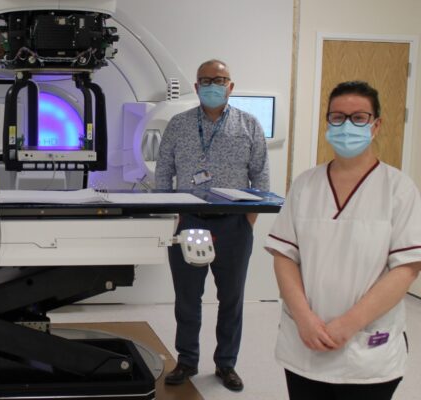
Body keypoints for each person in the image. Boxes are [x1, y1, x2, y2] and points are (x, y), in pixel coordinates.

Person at [265, 81, 421, 400]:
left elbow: (407, 267)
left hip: (367, 343)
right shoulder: (306, 184)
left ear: (376, 125)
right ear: (328, 123)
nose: (347, 125)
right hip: (305, 340)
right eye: (337, 117)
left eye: (359, 117)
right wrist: (305, 319)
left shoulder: (398, 189)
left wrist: (348, 324)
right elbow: (284, 256)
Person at [154, 59, 270, 391]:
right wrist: (170, 214)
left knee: (232, 299)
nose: (213, 86)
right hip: (190, 221)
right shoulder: (178, 124)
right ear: (196, 87)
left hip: (234, 225)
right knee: (187, 297)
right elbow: (164, 171)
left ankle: (226, 364)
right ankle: (187, 360)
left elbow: (260, 176)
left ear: (231, 86)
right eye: (206, 80)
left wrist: (248, 220)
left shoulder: (249, 125)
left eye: (220, 80)